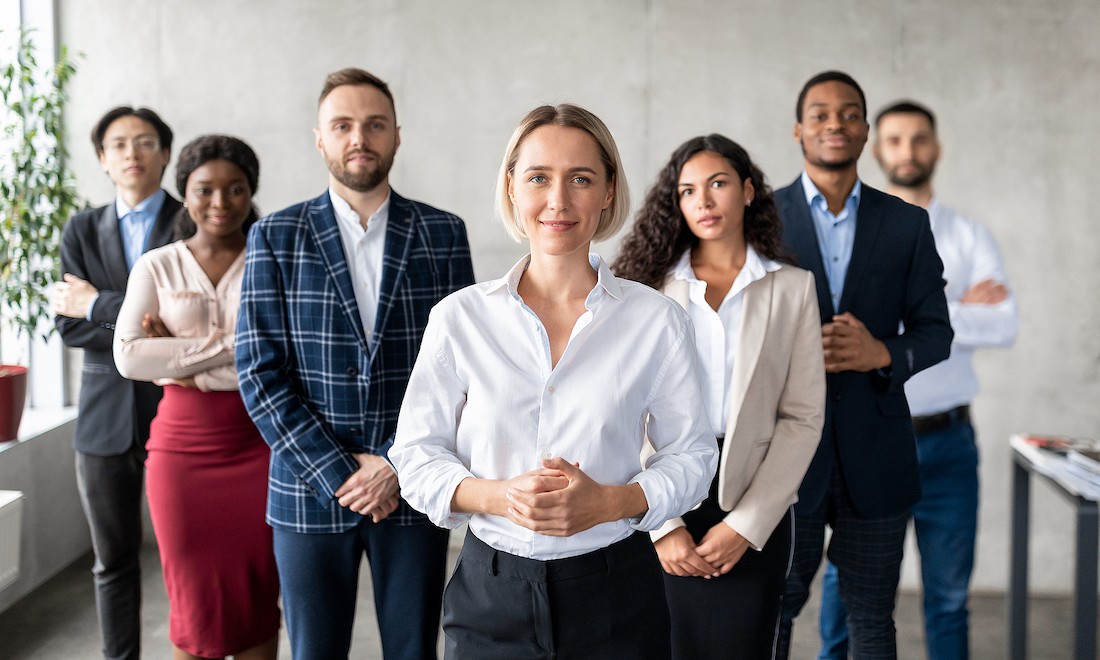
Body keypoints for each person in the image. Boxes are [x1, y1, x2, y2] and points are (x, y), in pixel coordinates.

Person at [390, 104, 718, 660]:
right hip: (489, 594)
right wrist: (499, 496)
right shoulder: (459, 317)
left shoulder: (658, 321)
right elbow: (416, 457)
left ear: (609, 191)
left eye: (581, 179)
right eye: (539, 177)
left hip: (618, 594)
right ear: (513, 188)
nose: (558, 201)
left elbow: (692, 457)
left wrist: (612, 502)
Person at [235, 67, 475, 660]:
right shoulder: (275, 235)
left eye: (374, 125)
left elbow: (464, 372)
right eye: (342, 126)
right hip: (308, 487)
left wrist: (395, 463)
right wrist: (339, 470)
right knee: (314, 651)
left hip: (413, 484)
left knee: (415, 648)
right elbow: (259, 373)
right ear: (320, 139)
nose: (358, 138)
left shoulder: (443, 234)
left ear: (397, 136)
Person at [816, 101, 1019, 660]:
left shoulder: (969, 234)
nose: (908, 151)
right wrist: (949, 305)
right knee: (843, 593)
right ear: (878, 149)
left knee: (949, 597)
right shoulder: (853, 233)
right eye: (897, 140)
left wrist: (919, 315)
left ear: (936, 147)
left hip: (947, 444)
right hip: (868, 438)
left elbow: (1005, 324)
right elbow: (838, 327)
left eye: (919, 139)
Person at [613, 133, 826, 659]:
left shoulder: (792, 288)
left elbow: (801, 418)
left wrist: (746, 525)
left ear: (748, 191)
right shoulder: (647, 289)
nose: (703, 201)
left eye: (718, 184)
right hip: (656, 493)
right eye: (687, 191)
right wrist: (663, 524)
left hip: (751, 498)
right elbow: (622, 410)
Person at [771, 71, 953, 660]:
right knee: (771, 609)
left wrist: (883, 354)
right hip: (784, 459)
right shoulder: (760, 221)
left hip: (877, 456)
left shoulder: (904, 223)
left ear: (866, 131)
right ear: (799, 129)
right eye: (820, 113)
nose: (835, 124)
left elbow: (936, 333)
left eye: (849, 114)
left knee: (872, 619)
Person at [113, 135, 279, 660]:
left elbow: (289, 353)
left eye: (235, 189)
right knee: (191, 601)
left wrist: (177, 352)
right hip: (181, 449)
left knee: (257, 595)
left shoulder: (272, 261)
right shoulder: (156, 266)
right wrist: (238, 348)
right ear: (184, 192)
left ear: (251, 193)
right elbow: (130, 358)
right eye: (205, 189)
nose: (220, 202)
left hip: (261, 444)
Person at [52, 106, 179, 660]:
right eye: (119, 144)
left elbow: (193, 326)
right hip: (103, 421)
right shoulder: (81, 228)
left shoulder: (196, 217)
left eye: (146, 141)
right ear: (103, 159)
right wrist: (142, 324)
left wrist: (97, 305)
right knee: (113, 562)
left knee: (188, 558)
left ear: (166, 153)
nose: (133, 152)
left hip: (181, 409)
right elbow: (66, 325)